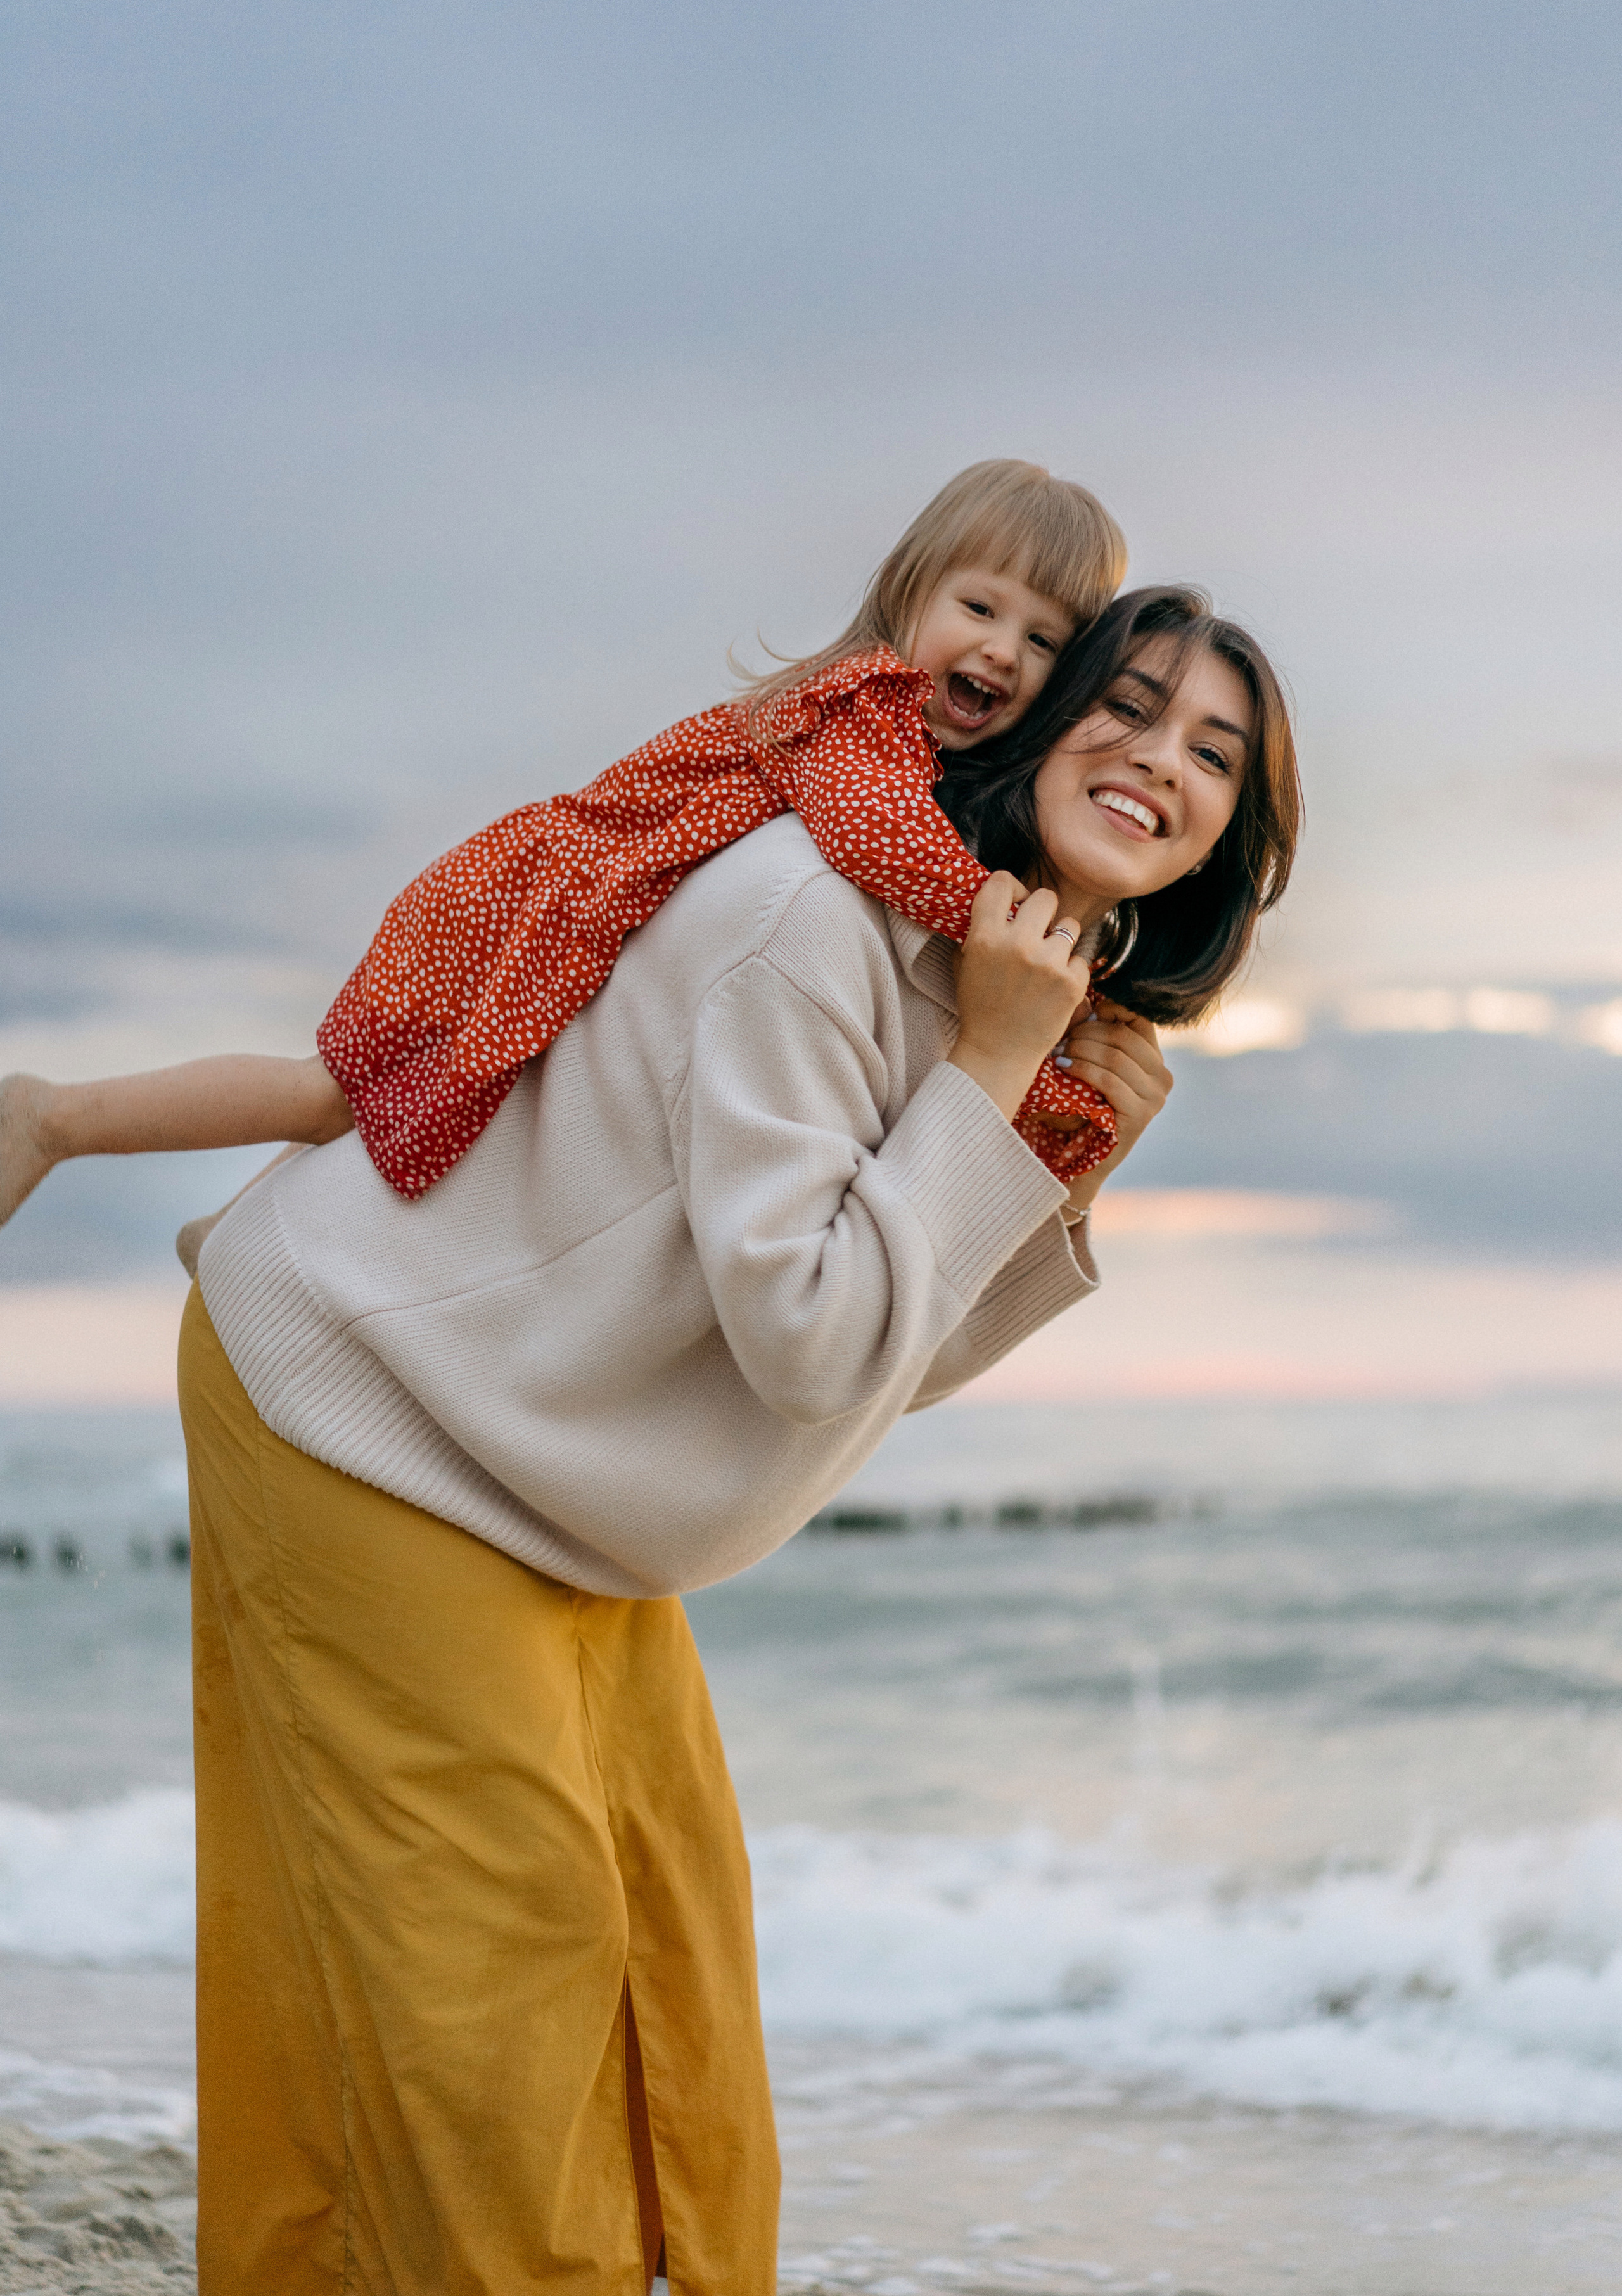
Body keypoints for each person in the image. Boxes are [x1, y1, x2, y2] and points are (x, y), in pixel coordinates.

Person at [176, 584, 1301, 2290]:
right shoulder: (815, 919)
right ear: (1042, 711)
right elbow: (816, 1342)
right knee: (494, 1960)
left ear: (1233, 837)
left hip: (551, 1472)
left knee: (667, 1948)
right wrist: (992, 1075)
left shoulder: (985, 982)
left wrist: (1047, 1146)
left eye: (1213, 754)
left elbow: (882, 1357)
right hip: (371, 1400)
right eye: (1128, 707)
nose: (1160, 761)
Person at [0, 459, 1128, 1239]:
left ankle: (237, 1228)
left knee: (412, 1098)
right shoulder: (860, 709)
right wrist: (1014, 935)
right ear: (909, 595)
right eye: (981, 609)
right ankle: (53, 1116)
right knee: (334, 1094)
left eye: (1044, 641)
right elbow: (880, 842)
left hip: (567, 897)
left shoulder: (907, 747)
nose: (1004, 651)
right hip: (535, 898)